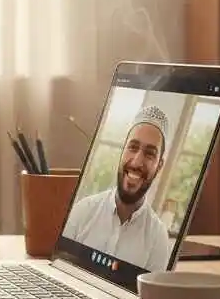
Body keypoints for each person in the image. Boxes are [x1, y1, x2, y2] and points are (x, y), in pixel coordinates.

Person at [62, 104, 172, 271]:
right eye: (133, 147)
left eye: (150, 153)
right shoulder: (82, 212)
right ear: (122, 151)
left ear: (159, 166)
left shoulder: (158, 239)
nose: (136, 162)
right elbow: (60, 269)